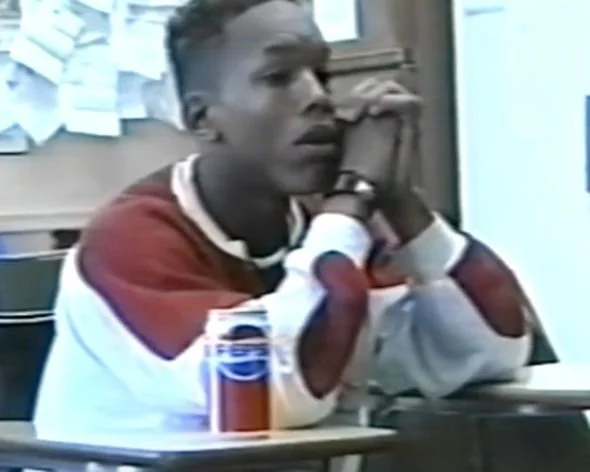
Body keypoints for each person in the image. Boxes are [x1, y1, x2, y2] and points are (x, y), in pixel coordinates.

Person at [34, 0, 532, 443]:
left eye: (322, 74)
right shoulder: (132, 238)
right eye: (278, 77)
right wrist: (353, 195)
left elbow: (486, 356)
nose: (317, 97)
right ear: (202, 118)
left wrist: (399, 200)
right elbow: (268, 393)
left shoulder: (326, 231)